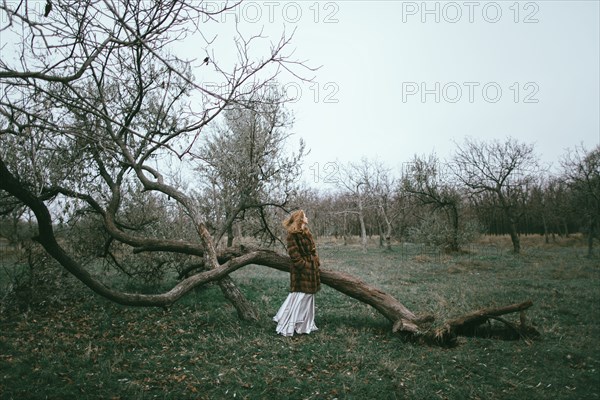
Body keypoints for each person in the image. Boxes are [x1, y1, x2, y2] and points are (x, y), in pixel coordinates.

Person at [273, 209, 321, 336]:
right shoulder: (292, 235)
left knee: (308, 298)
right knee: (299, 297)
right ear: (300, 219)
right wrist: (305, 266)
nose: (307, 217)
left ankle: (304, 325)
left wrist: (315, 262)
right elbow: (294, 256)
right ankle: (288, 323)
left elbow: (313, 250)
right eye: (305, 216)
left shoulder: (306, 232)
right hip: (301, 272)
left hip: (311, 270)